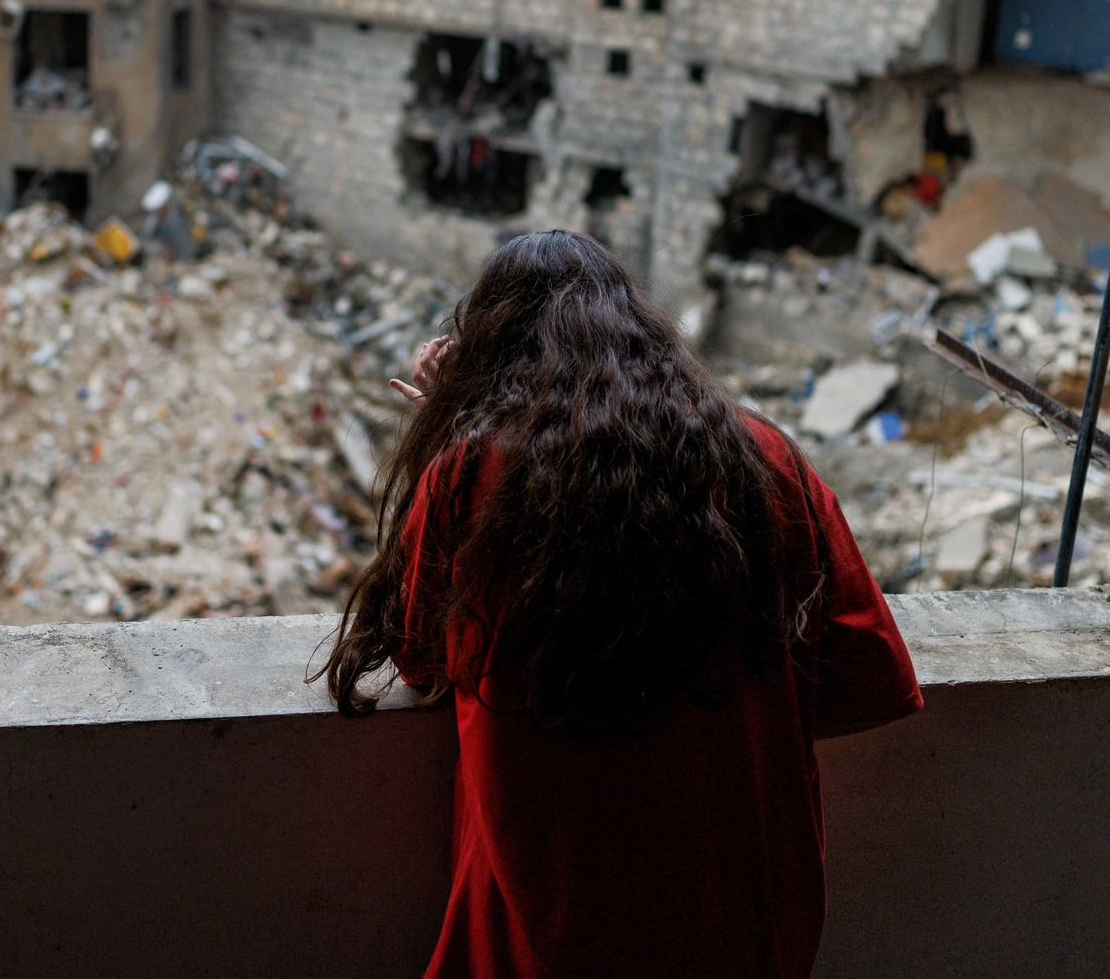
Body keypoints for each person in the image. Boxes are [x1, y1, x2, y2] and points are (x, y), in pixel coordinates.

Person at [321, 231, 920, 978]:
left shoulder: (473, 469)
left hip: (552, 925)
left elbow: (418, 654)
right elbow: (868, 680)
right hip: (746, 927)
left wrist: (446, 420)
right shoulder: (766, 457)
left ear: (488, 352)